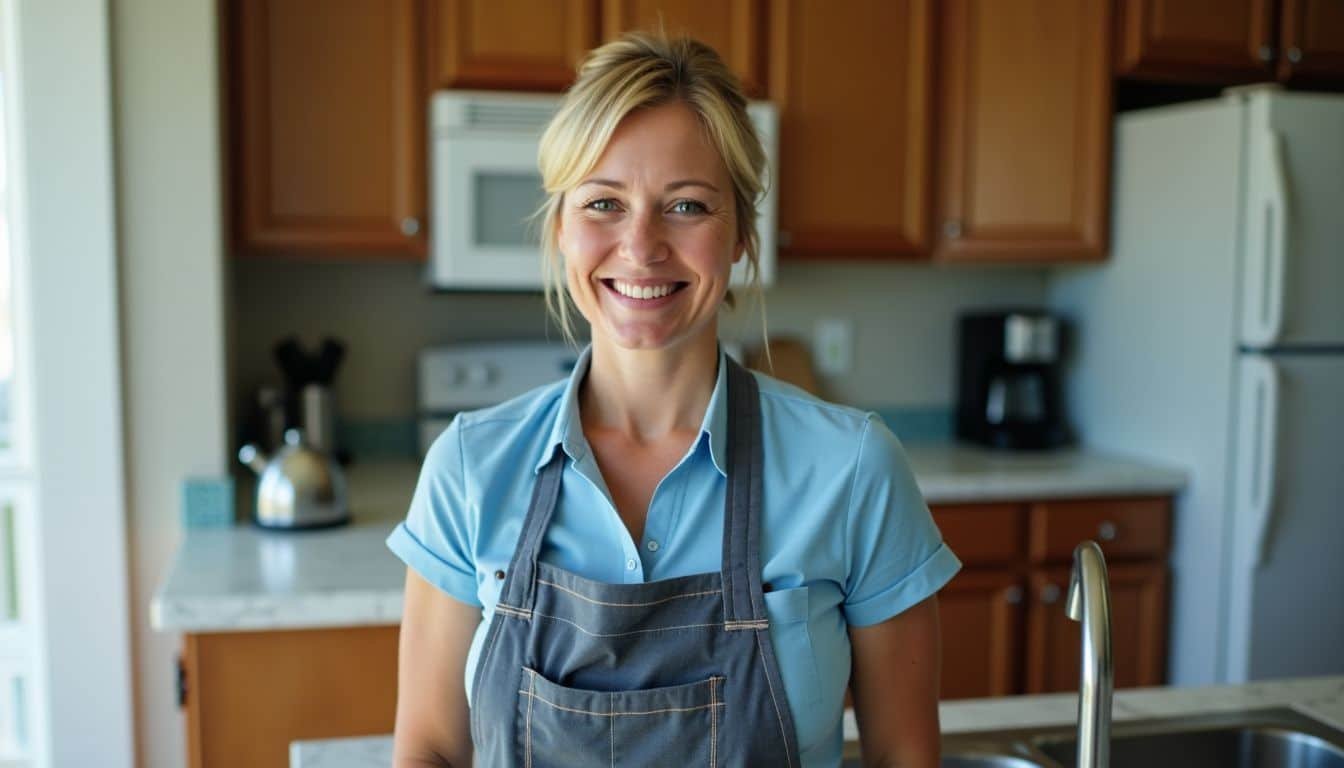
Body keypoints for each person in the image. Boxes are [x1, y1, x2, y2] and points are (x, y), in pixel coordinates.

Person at [388, 32, 962, 768]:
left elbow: (905, 759)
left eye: (686, 206)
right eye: (603, 203)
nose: (642, 246)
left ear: (742, 237)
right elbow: (432, 749)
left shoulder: (853, 470)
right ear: (561, 228)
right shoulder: (469, 467)